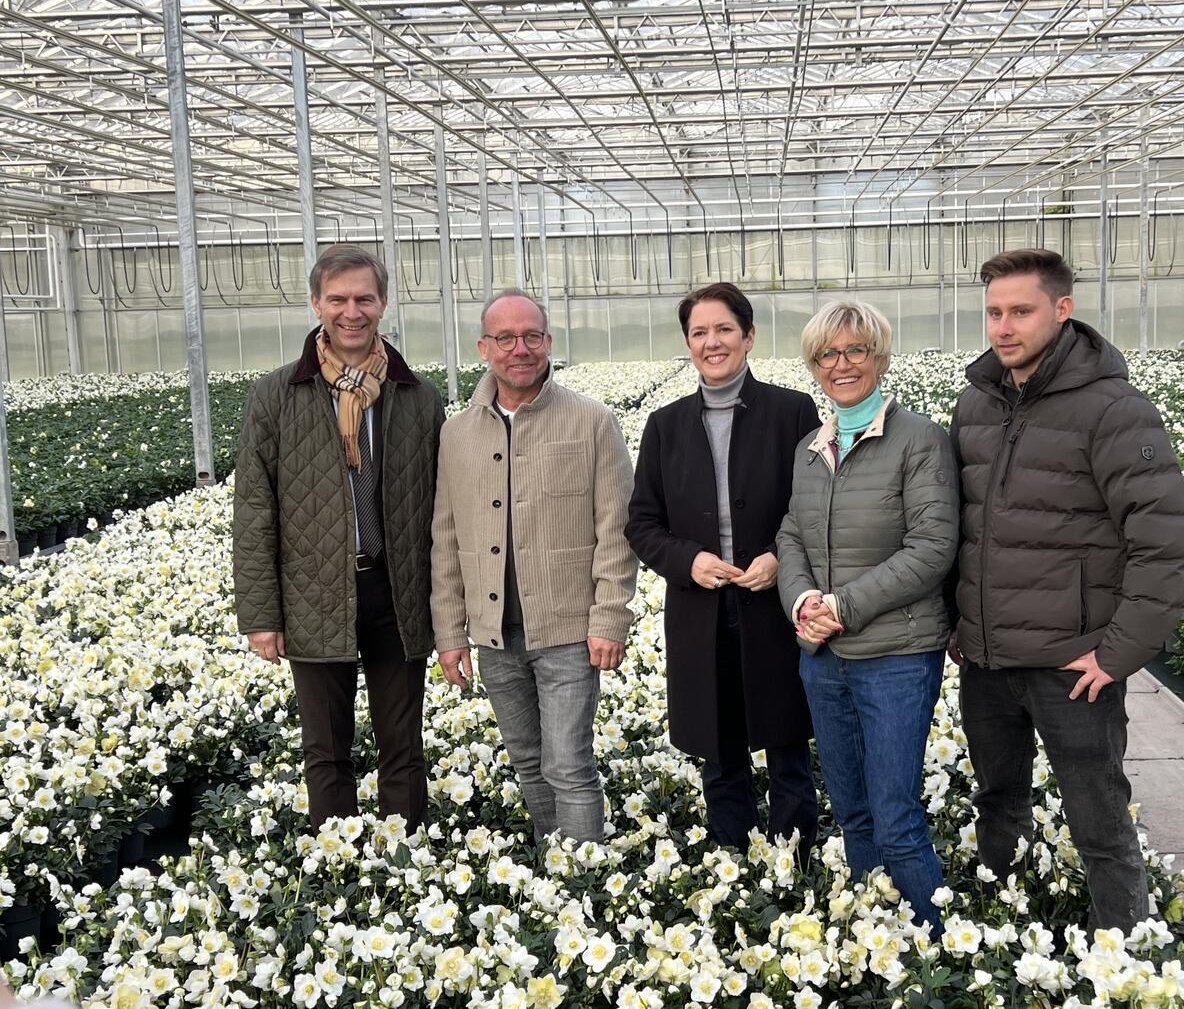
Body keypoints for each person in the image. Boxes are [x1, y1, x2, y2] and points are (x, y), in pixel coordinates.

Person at [949, 248, 1184, 931]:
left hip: (1072, 664)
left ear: (1063, 308)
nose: (1004, 326)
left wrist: (1118, 654)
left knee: (1099, 818)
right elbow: (959, 528)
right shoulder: (976, 403)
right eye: (995, 311)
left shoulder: (1114, 409)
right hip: (988, 660)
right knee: (1000, 800)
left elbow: (1163, 540)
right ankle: (1003, 930)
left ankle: (1123, 950)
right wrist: (957, 622)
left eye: (1021, 310)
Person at [233, 244, 444, 832]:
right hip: (312, 592)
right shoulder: (276, 396)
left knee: (403, 745)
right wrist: (260, 614)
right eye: (338, 299)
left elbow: (441, 513)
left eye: (365, 299)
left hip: (396, 592)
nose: (352, 312)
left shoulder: (418, 398)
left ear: (383, 304)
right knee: (326, 750)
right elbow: (255, 509)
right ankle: (340, 861)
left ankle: (404, 865)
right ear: (316, 304)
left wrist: (447, 605)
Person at [431, 289, 638, 844]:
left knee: (568, 764)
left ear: (547, 343)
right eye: (505, 338)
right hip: (495, 633)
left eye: (531, 336)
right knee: (526, 759)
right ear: (484, 348)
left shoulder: (592, 421)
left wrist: (608, 619)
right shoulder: (457, 433)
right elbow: (446, 538)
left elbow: (616, 530)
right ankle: (555, 867)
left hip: (569, 630)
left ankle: (581, 882)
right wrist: (451, 633)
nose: (519, 349)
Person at [776, 300, 959, 928]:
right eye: (829, 354)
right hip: (823, 657)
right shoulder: (810, 448)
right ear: (814, 366)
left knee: (896, 812)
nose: (842, 364)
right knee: (851, 806)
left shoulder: (919, 440)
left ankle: (933, 946)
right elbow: (791, 535)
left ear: (880, 359)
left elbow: (932, 548)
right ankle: (876, 933)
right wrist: (802, 602)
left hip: (896, 657)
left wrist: (841, 607)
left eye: (856, 351)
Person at [626, 282, 821, 857]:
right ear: (687, 343)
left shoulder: (791, 412)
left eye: (724, 330)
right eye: (699, 333)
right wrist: (690, 560)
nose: (712, 343)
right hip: (702, 607)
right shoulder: (665, 426)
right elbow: (642, 523)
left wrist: (781, 558)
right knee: (719, 743)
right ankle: (732, 851)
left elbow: (813, 506)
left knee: (787, 742)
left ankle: (797, 855)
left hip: (774, 603)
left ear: (749, 336)